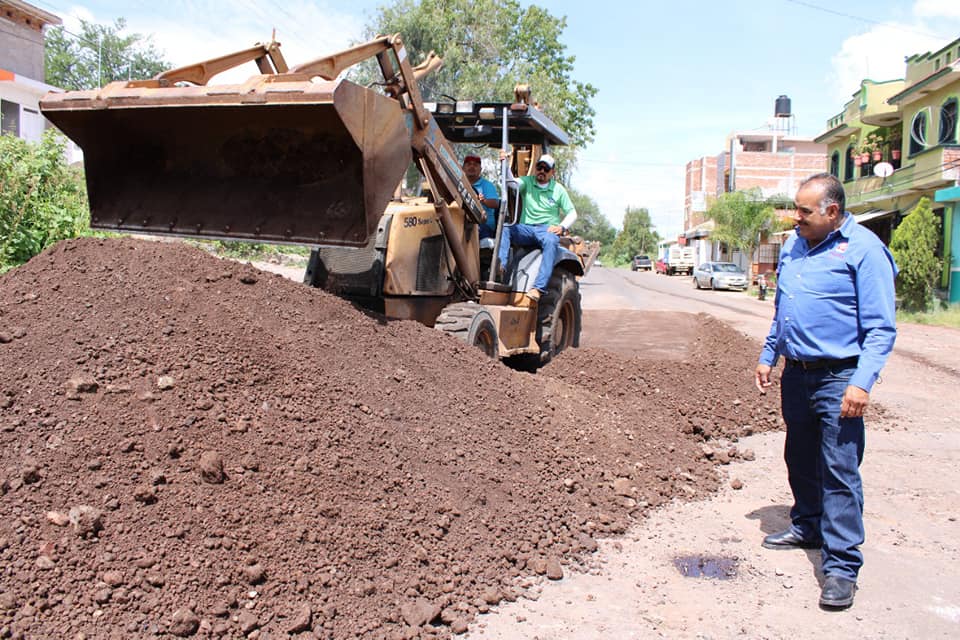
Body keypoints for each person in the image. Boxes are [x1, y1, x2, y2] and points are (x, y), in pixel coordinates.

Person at [755, 172, 897, 611]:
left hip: (840, 377)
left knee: (839, 470)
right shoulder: (796, 245)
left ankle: (840, 567)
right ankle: (808, 525)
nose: (795, 218)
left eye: (804, 211)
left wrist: (861, 382)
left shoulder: (865, 251)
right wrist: (769, 354)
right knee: (798, 455)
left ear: (832, 212)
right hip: (797, 374)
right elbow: (785, 308)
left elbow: (880, 328)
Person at [497, 152, 577, 301]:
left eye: (546, 169)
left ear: (552, 172)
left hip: (546, 230)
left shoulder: (558, 189)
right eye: (539, 167)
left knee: (551, 242)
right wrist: (505, 164)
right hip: (526, 229)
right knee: (506, 227)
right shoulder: (528, 182)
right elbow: (511, 184)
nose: (542, 171)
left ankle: (538, 288)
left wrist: (562, 227)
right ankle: (500, 267)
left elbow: (572, 213)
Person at [462, 155, 500, 239]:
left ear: (480, 169)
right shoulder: (458, 184)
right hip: (460, 222)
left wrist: (483, 201)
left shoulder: (487, 185)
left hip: (484, 225)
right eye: (468, 164)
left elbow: (495, 204)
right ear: (463, 168)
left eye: (475, 165)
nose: (472, 167)